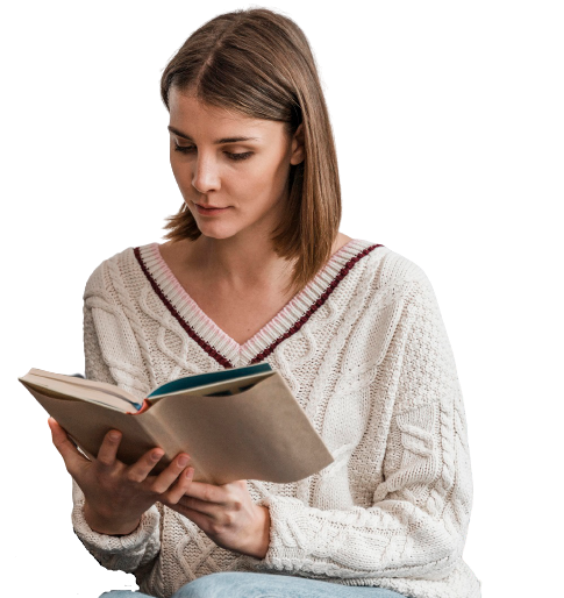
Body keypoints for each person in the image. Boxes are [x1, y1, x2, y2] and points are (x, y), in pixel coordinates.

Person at [48, 5, 481, 598]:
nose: (202, 179)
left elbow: (436, 528)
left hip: (379, 595)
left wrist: (264, 529)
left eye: (236, 152)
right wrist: (112, 513)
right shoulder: (118, 290)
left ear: (298, 144)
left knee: (221, 592)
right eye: (183, 146)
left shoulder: (390, 291)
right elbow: (133, 553)